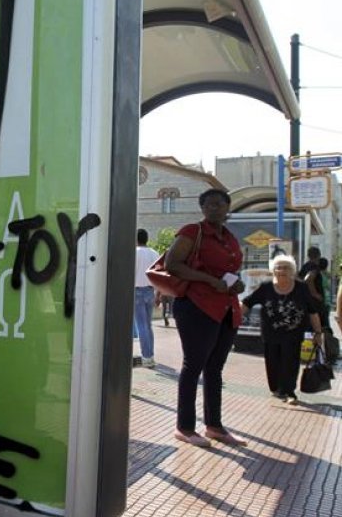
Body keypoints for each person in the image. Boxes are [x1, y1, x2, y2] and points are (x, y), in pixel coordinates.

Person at [164, 188, 247, 448]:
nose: (214, 208)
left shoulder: (229, 237)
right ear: (202, 208)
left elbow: (229, 270)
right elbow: (172, 264)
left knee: (215, 369)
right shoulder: (193, 231)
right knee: (193, 365)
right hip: (196, 306)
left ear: (227, 207)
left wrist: (236, 285)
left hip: (225, 309)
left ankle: (214, 426)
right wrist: (210, 280)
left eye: (219, 204)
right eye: (209, 204)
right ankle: (185, 427)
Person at [242, 255, 323, 405]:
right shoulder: (266, 287)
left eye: (286, 267)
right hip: (270, 334)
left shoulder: (301, 288)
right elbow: (247, 303)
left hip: (293, 334)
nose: (281, 270)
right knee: (272, 363)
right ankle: (276, 389)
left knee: (290, 363)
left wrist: (318, 333)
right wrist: (232, 319)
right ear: (273, 270)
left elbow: (312, 311)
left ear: (292, 271)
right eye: (278, 267)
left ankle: (289, 391)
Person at [134, 228, 158, 366]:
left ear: (136, 239)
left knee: (141, 325)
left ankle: (146, 357)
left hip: (137, 290)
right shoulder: (154, 253)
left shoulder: (134, 253)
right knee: (148, 325)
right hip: (150, 290)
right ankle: (151, 355)